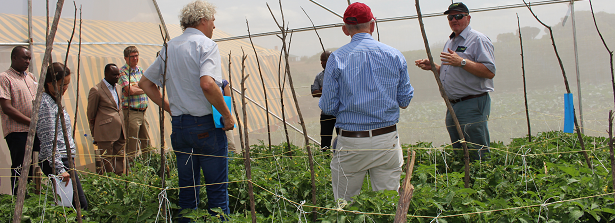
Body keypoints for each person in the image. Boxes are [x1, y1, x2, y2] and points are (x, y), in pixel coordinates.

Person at [139, 0, 235, 221]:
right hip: (206, 127)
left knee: (187, 194)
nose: (213, 26)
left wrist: (170, 108)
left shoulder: (169, 47)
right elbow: (208, 84)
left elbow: (145, 83)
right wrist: (227, 116)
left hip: (181, 127)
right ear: (202, 20)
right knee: (217, 194)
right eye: (212, 21)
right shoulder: (206, 46)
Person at [319, 2, 414, 202]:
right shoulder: (394, 55)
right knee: (387, 204)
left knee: (345, 205)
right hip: (386, 139)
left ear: (345, 30)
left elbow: (328, 107)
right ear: (373, 25)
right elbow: (405, 100)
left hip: (351, 141)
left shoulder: (336, 58)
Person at [415, 2, 495, 161]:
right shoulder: (451, 41)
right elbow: (453, 71)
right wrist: (435, 68)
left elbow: (489, 71)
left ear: (468, 18)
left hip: (472, 102)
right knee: (460, 151)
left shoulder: (477, 39)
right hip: (453, 104)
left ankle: (482, 180)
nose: (454, 20)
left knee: (476, 149)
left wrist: (462, 62)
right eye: (451, 17)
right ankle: (465, 179)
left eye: (459, 16)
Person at [37, 62, 88, 210]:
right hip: (58, 161)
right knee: (78, 206)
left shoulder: (54, 100)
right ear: (49, 83)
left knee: (70, 206)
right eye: (61, 84)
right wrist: (59, 169)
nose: (64, 88)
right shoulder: (45, 103)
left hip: (64, 159)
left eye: (67, 84)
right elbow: (48, 139)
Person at [0, 46, 41, 195]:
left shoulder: (31, 77)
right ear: (14, 58)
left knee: (36, 165)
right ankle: (18, 200)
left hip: (34, 130)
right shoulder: (5, 77)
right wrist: (30, 122)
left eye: (29, 58)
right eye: (24, 58)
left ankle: (34, 197)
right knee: (20, 167)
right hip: (17, 131)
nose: (27, 61)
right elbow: (7, 108)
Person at [87, 63, 126, 175]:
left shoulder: (118, 88)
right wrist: (94, 133)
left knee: (119, 158)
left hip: (119, 131)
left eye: (118, 75)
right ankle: (109, 182)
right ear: (106, 74)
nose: (117, 77)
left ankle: (119, 180)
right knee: (107, 161)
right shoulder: (96, 90)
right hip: (105, 132)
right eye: (114, 75)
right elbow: (91, 114)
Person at [118, 46, 150, 169]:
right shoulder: (122, 72)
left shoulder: (141, 70)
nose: (135, 58)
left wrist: (137, 87)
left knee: (146, 142)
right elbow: (129, 90)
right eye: (132, 56)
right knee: (132, 144)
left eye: (137, 55)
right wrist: (143, 88)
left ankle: (147, 168)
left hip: (143, 111)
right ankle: (131, 170)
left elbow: (149, 85)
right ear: (126, 58)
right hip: (131, 111)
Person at [311, 51, 336, 152]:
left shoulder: (338, 74)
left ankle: (342, 157)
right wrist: (328, 90)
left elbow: (339, 91)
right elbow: (314, 93)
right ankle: (325, 158)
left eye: (325, 60)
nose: (322, 62)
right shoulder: (319, 76)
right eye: (321, 60)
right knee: (325, 138)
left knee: (342, 138)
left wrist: (323, 89)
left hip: (339, 112)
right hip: (326, 113)